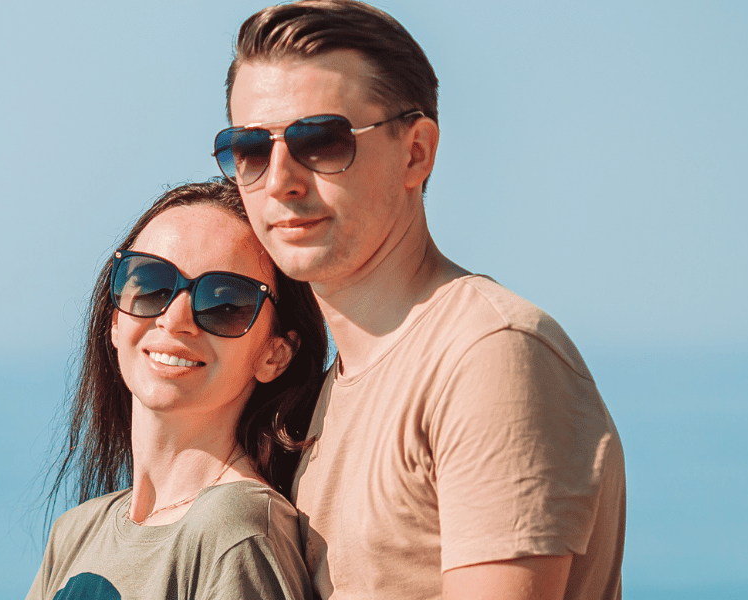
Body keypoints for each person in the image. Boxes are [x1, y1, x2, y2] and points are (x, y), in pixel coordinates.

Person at [214, 2, 626, 599]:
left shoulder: (490, 356)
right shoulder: (330, 389)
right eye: (250, 148)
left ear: (416, 153)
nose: (280, 178)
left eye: (322, 141)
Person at [24, 179, 330, 599]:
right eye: (150, 283)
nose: (174, 317)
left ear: (275, 354)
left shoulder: (236, 530)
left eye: (224, 303)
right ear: (116, 319)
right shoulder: (75, 532)